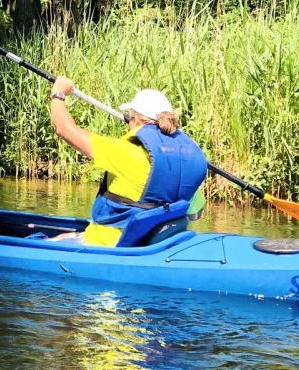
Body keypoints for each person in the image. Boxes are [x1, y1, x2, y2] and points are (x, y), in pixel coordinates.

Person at [47, 79, 207, 247]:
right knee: (67, 234)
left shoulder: (127, 153)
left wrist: (58, 94)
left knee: (45, 240)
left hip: (109, 245)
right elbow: (195, 211)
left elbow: (64, 128)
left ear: (137, 120)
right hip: (155, 245)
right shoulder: (190, 162)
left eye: (130, 118)